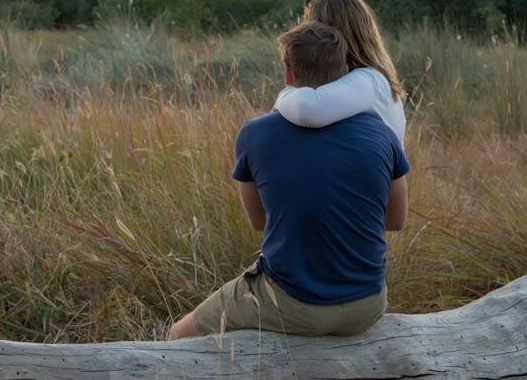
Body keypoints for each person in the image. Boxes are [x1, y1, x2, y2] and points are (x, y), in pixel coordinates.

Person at [167, 21, 410, 340]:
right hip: (367, 303)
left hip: (293, 302)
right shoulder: (382, 133)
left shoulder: (255, 134)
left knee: (178, 337)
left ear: (287, 72)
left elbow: (259, 220)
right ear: (345, 70)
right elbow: (396, 219)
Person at [275, 0, 407, 145]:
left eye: (312, 28)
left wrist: (284, 94)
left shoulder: (369, 81)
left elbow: (306, 109)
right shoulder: (374, 80)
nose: (309, 34)